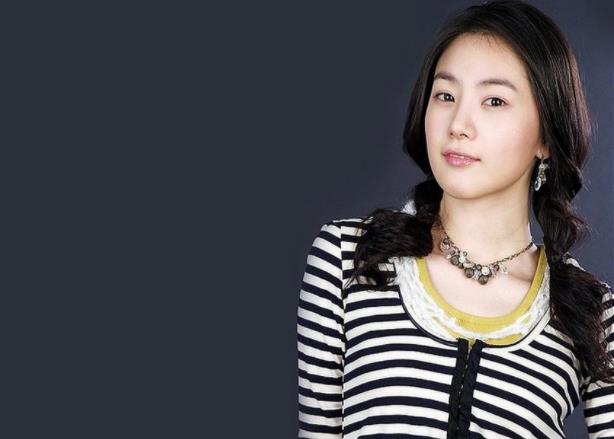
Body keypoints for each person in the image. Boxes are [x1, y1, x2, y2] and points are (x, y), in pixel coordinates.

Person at [296, 1, 614, 438]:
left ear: (546, 136)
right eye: (445, 95)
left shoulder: (592, 312)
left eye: (494, 101)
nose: (459, 124)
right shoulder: (348, 257)